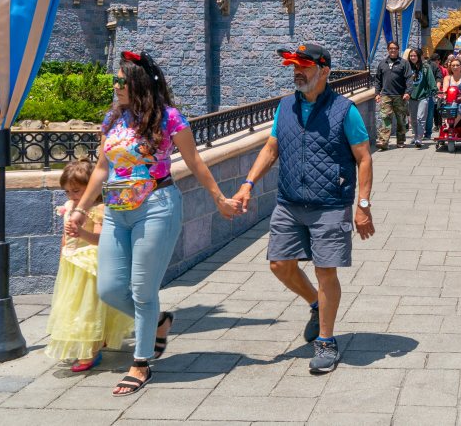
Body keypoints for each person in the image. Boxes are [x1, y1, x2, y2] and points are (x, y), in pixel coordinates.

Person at [70, 50, 239, 397]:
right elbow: (102, 169)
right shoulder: (112, 119)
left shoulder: (169, 119)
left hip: (156, 205)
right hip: (118, 211)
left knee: (143, 290)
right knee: (110, 288)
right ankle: (160, 322)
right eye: (115, 79)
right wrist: (81, 208)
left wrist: (219, 198)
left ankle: (141, 362)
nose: (115, 85)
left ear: (139, 83)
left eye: (121, 80)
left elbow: (194, 161)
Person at [233, 42, 375, 375]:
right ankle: (315, 303)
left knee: (325, 270)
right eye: (294, 67)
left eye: (304, 67)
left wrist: (363, 205)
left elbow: (364, 158)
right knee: (279, 264)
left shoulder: (345, 110)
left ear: (324, 71)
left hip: (330, 203)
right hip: (289, 201)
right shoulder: (285, 106)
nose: (297, 72)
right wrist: (247, 184)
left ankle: (326, 341)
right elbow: (271, 149)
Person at [45, 159, 130, 372]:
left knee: (89, 307)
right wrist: (63, 252)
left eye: (76, 191)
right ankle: (96, 340)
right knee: (73, 305)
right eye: (67, 192)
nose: (72, 196)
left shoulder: (98, 208)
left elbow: (101, 239)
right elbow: (65, 235)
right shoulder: (70, 207)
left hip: (90, 263)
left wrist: (81, 232)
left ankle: (89, 351)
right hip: (72, 262)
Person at [373, 40, 411, 150]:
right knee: (385, 118)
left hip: (400, 95)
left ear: (398, 50)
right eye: (391, 48)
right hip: (386, 95)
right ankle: (383, 142)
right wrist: (377, 93)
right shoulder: (382, 63)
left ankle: (400, 140)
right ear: (388, 50)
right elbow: (378, 80)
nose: (393, 50)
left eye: (395, 48)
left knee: (400, 119)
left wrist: (408, 92)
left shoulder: (404, 63)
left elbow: (409, 79)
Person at [406, 47, 437, 148]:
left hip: (423, 96)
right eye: (411, 56)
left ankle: (419, 138)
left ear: (419, 56)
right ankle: (415, 136)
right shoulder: (407, 67)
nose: (413, 57)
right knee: (413, 119)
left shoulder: (425, 67)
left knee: (421, 118)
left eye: (415, 55)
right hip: (411, 96)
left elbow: (430, 79)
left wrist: (434, 89)